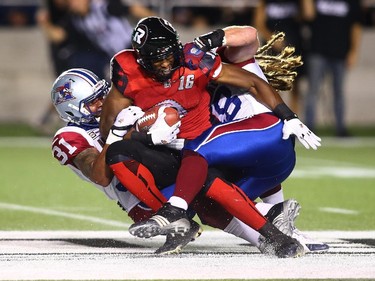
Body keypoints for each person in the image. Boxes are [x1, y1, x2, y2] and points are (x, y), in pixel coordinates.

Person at [100, 17, 321, 257]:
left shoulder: (196, 61)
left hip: (204, 153)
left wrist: (288, 115)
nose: (164, 64)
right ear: (141, 60)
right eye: (155, 60)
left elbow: (253, 82)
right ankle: (179, 220)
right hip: (165, 153)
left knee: (206, 185)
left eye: (168, 56)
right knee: (117, 153)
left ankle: (274, 235)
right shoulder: (128, 73)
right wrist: (144, 134)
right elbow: (110, 130)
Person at [50, 68, 306, 256]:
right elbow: (100, 175)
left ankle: (272, 234)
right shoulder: (70, 136)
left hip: (163, 170)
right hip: (142, 201)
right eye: (93, 102)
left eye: (102, 95)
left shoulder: (122, 106)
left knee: (199, 174)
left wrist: (160, 133)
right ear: (73, 110)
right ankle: (267, 213)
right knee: (120, 153)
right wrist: (117, 132)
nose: (103, 103)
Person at [302, 0, 363, 137]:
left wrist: (354, 50)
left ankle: (341, 128)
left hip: (341, 51)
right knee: (313, 90)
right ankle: (309, 127)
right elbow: (308, 15)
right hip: (317, 50)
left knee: (339, 92)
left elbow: (356, 25)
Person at [254, 0, 307, 114]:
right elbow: (259, 23)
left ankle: (294, 119)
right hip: (273, 49)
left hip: (294, 46)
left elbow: (307, 15)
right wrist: (273, 39)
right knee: (273, 85)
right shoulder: (266, 2)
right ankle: (275, 118)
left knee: (294, 85)